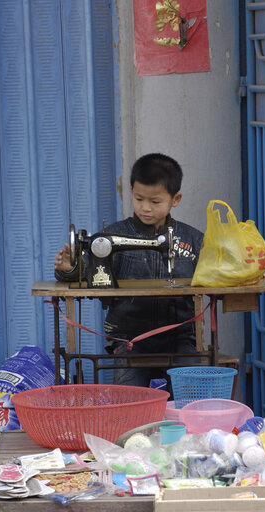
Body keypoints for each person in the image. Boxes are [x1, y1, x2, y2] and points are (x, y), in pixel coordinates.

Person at [54, 153, 204, 388]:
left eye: (155, 202)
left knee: (192, 390)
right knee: (130, 396)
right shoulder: (111, 237)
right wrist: (70, 269)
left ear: (176, 199)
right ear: (131, 191)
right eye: (138, 198)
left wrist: (247, 274)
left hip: (179, 336)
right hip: (129, 337)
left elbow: (217, 270)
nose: (145, 208)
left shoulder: (193, 240)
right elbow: (85, 272)